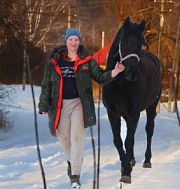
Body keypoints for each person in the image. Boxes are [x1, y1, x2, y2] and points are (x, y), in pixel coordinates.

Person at [39, 28, 125, 189]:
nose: (73, 42)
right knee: (64, 139)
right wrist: (43, 104)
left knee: (77, 138)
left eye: (76, 40)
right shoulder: (55, 61)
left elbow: (99, 77)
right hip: (60, 105)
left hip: (80, 103)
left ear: (79, 41)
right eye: (71, 39)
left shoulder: (86, 60)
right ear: (66, 41)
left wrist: (115, 71)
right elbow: (46, 84)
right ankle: (73, 162)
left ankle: (75, 176)